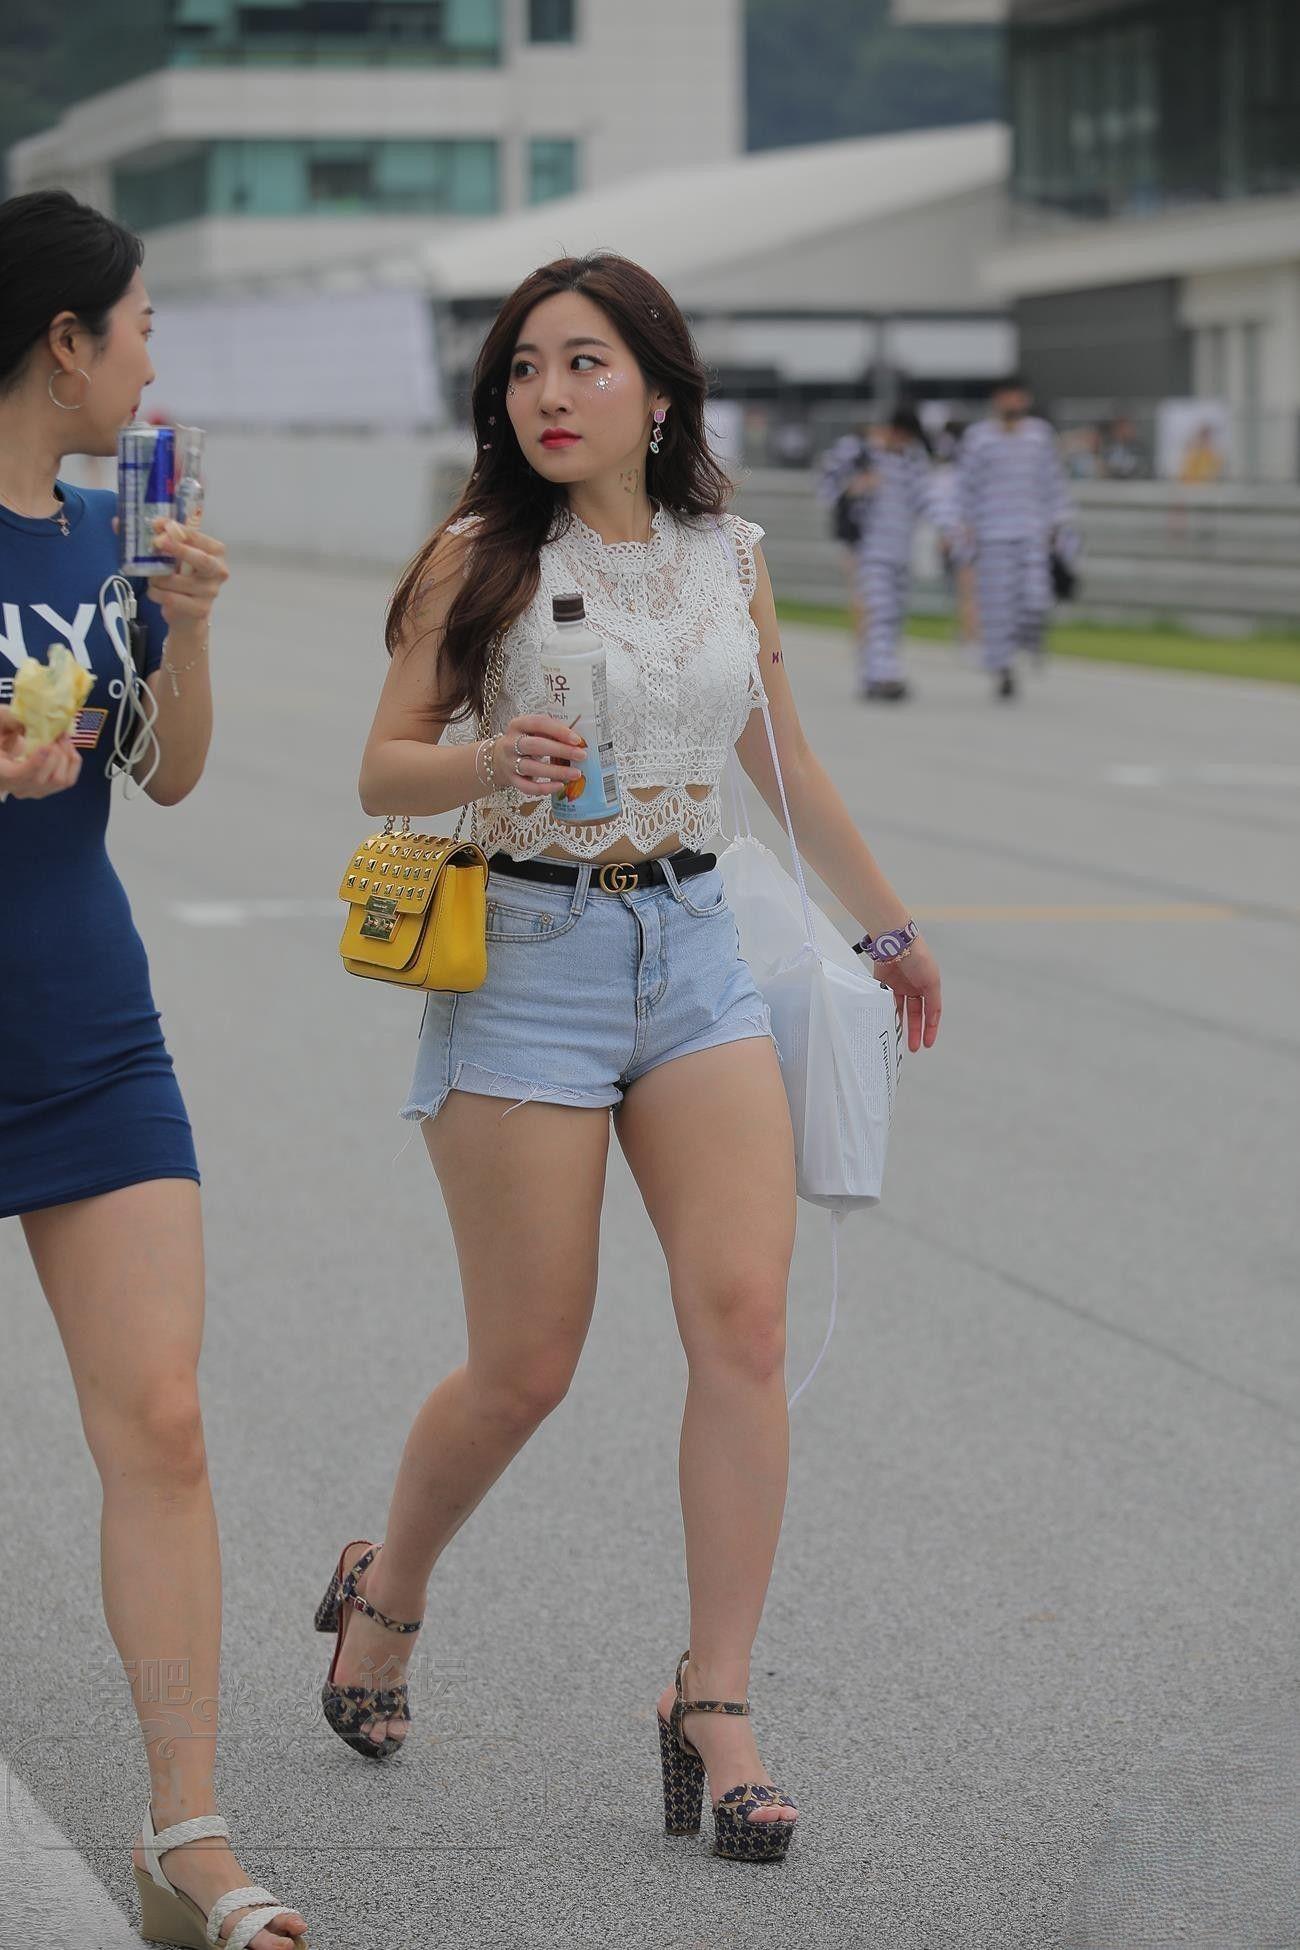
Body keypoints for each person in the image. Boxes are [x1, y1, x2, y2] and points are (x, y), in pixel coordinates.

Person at [323, 253, 942, 1865]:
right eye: (525, 367)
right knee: (527, 1365)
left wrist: (886, 926)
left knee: (742, 1320)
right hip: (526, 963)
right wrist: (487, 757)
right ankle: (388, 1588)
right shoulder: (479, 556)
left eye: (585, 362)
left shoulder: (727, 556)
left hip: (698, 953)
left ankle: (713, 1696)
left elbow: (781, 760)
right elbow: (383, 767)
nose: (549, 393)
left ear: (659, 392)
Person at [0, 191, 307, 1950]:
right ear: (66, 343)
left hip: (86, 1030)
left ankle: (186, 1831)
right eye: (139, 330)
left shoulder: (108, 542)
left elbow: (168, 777)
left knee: (165, 1421)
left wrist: (185, 625)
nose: (148, 363)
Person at [956, 374, 1079, 701]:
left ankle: (1029, 641)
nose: (1012, 402)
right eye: (1006, 396)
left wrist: (1059, 524)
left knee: (1035, 598)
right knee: (997, 608)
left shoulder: (1039, 436)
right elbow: (966, 486)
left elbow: (1053, 483)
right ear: (997, 400)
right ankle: (1003, 669)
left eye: (1017, 396)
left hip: (1032, 532)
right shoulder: (979, 439)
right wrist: (964, 525)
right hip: (992, 534)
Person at [852, 407, 952, 703]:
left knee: (893, 616)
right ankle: (883, 676)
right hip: (872, 550)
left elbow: (927, 499)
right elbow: (830, 485)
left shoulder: (913, 461)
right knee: (879, 613)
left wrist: (947, 528)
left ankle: (876, 673)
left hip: (901, 551)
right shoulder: (863, 454)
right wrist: (858, 486)